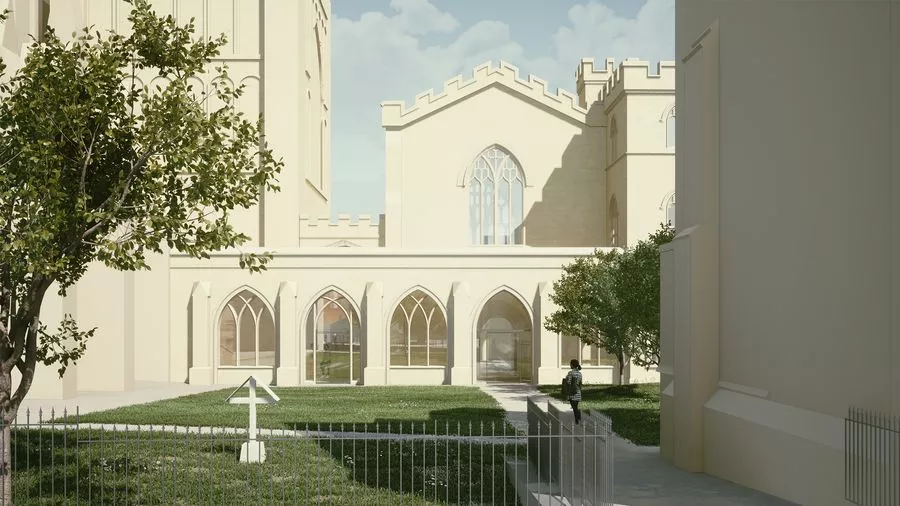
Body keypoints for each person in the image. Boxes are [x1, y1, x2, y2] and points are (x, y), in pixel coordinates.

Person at [565, 358, 583, 424]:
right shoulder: (580, 374)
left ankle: (577, 420)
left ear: (572, 365)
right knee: (575, 406)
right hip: (578, 392)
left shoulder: (570, 373)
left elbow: (569, 382)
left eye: (570, 364)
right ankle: (578, 417)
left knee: (574, 407)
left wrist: (566, 378)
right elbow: (580, 383)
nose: (570, 365)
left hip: (572, 392)